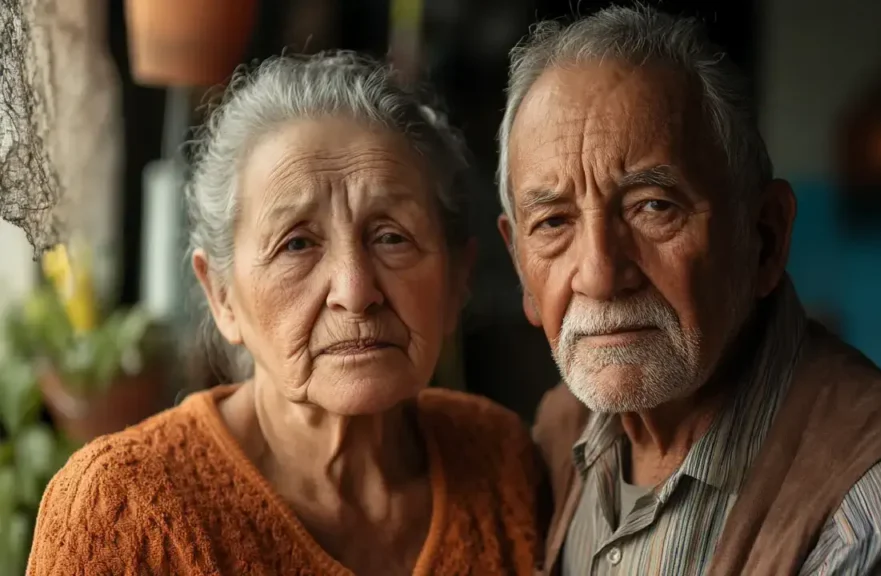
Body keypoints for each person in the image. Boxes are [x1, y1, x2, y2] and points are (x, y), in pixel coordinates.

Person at [496, 6, 881, 575]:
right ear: (522, 267)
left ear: (765, 237)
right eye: (553, 223)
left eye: (654, 207)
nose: (599, 274)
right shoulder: (557, 435)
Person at [28, 52, 543, 576]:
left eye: (391, 237)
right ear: (222, 295)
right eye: (296, 244)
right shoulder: (121, 511)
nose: (354, 290)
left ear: (457, 279)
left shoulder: (501, 461)